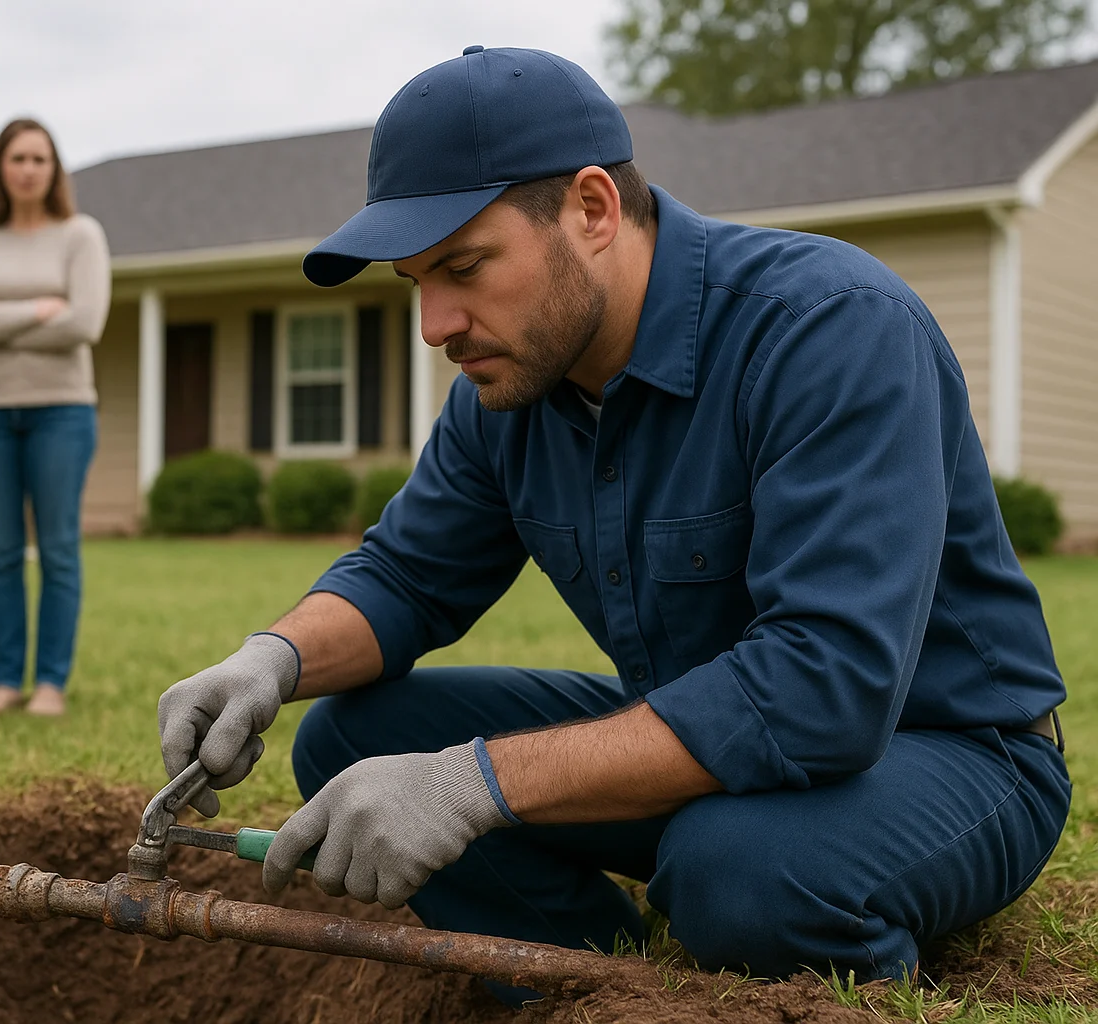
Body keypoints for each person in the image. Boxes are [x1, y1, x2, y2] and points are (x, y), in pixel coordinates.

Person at [155, 46, 1071, 1005]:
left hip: (949, 753)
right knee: (353, 739)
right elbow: (406, 578)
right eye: (415, 280)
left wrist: (473, 783)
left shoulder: (828, 326)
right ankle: (597, 993)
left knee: (738, 872)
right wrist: (270, 659)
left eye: (463, 267)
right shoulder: (510, 387)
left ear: (592, 209)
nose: (435, 324)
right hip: (713, 747)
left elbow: (825, 687)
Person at [0, 118, 111, 718]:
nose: (28, 169)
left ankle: (50, 684)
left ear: (54, 169)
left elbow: (85, 323)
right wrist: (40, 309)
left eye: (40, 159)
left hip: (62, 411)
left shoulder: (80, 235)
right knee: (3, 553)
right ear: (0, 168)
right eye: (17, 158)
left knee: (58, 549)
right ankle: (7, 680)